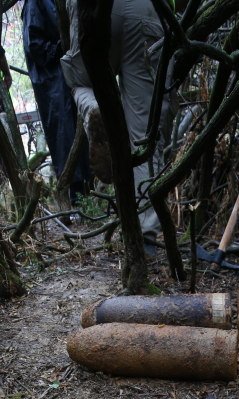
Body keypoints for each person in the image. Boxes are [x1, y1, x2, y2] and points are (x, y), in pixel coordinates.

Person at [60, 0, 176, 250]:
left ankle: (95, 110)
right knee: (145, 134)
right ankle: (145, 237)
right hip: (147, 10)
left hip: (96, 9)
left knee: (80, 82)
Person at [22, 0, 90, 199]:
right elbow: (35, 47)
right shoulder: (35, 5)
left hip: (68, 78)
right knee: (65, 138)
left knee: (79, 133)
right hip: (53, 84)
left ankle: (87, 193)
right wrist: (63, 44)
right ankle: (75, 197)